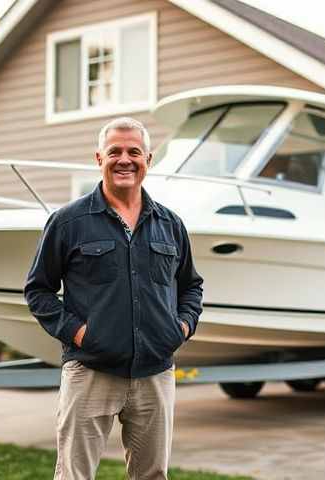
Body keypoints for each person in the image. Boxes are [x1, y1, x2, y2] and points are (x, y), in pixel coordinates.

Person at [24, 117, 203, 480]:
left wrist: (180, 328)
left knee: (152, 475)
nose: (125, 160)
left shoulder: (170, 225)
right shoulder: (68, 222)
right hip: (90, 372)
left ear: (148, 160)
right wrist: (78, 334)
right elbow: (38, 290)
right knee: (75, 474)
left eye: (134, 152)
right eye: (114, 152)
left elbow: (191, 287)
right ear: (98, 159)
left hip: (155, 374)